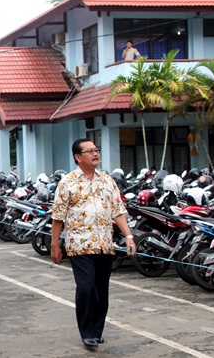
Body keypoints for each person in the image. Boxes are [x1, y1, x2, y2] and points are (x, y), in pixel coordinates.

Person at [50, 138, 135, 350]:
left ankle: (97, 331)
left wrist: (129, 236)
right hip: (79, 245)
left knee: (100, 290)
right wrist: (54, 245)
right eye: (90, 151)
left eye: (96, 150)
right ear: (78, 157)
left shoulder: (107, 181)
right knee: (86, 287)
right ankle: (87, 332)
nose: (95, 154)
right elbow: (58, 217)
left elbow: (118, 211)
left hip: (104, 244)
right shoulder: (67, 183)